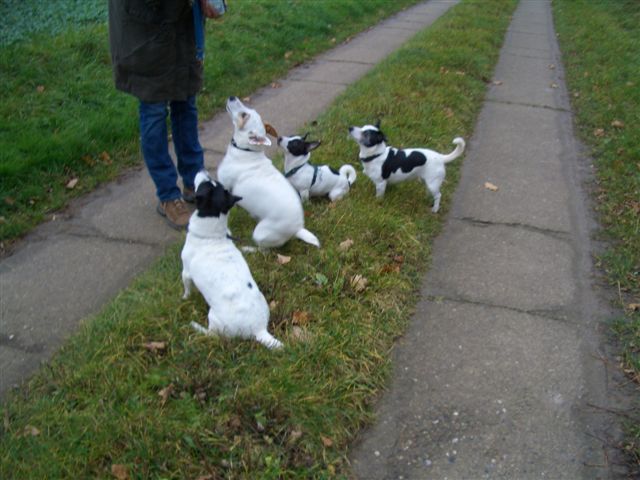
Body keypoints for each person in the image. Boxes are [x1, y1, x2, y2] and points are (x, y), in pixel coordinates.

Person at [108, 0, 220, 229]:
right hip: (145, 33)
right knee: (154, 111)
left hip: (182, 29)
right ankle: (168, 195)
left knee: (186, 103)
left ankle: (194, 181)